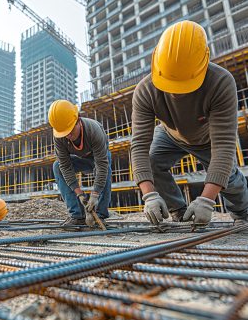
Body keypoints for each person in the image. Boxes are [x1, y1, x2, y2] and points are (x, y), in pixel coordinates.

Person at [131, 20, 248, 227]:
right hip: (169, 134)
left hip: (207, 138)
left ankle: (243, 213)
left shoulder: (221, 83)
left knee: (228, 178)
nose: (176, 92)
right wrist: (149, 195)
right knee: (152, 159)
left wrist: (207, 200)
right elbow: (139, 146)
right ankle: (179, 211)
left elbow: (223, 146)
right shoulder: (145, 90)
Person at [48, 100, 112, 226]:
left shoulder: (94, 130)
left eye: (70, 131)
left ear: (78, 120)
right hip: (81, 160)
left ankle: (100, 215)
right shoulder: (59, 136)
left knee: (107, 164)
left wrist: (95, 194)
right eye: (65, 133)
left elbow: (102, 165)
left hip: (98, 160)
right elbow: (65, 166)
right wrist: (80, 195)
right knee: (57, 166)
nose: (68, 136)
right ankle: (77, 216)